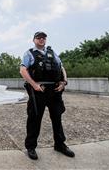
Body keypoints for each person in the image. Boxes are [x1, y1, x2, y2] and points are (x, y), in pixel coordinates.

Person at [20, 31, 75, 160]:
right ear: (34, 40)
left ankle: (60, 144)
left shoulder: (52, 53)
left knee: (57, 117)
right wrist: (34, 85)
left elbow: (61, 67)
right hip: (39, 90)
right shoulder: (29, 53)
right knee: (34, 119)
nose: (41, 39)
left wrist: (64, 82)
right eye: (38, 38)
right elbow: (23, 70)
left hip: (55, 90)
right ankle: (31, 147)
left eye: (43, 38)